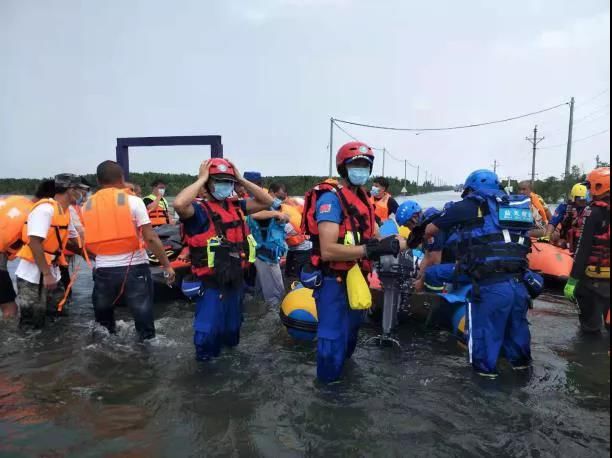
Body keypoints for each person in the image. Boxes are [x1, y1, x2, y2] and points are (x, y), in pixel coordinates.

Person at [302, 142, 405, 383]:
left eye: (365, 165)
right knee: (331, 340)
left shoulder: (365, 200)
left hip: (356, 279)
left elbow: (381, 238)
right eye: (355, 164)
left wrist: (414, 239)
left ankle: (343, 382)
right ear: (343, 168)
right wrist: (369, 250)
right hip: (333, 281)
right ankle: (327, 393)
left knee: (350, 336)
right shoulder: (331, 199)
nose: (361, 170)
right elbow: (327, 250)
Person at [423, 170, 534, 377]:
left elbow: (430, 230)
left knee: (483, 358)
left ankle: (484, 398)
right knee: (520, 354)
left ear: (470, 188)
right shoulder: (514, 207)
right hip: (520, 285)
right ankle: (522, 386)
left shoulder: (467, 205)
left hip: (490, 288)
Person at [174, 158, 272, 361]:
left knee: (232, 331)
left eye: (228, 181)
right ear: (208, 184)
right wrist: (201, 178)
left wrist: (240, 178)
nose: (224, 185)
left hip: (235, 281)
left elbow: (266, 201)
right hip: (211, 284)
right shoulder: (199, 212)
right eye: (218, 181)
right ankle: (205, 372)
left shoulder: (237, 206)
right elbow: (179, 204)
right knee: (207, 335)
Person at [82, 161, 175, 340]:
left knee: (103, 323)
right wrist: (167, 265)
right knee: (143, 316)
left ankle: (103, 355)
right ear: (121, 178)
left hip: (102, 269)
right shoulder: (134, 201)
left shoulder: (86, 205)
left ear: (99, 180)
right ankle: (146, 355)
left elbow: (83, 239)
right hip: (135, 268)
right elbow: (150, 237)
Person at [14, 174, 84, 329]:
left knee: (58, 317)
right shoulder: (45, 210)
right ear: (70, 190)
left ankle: (57, 351)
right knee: (31, 324)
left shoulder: (65, 212)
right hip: (33, 276)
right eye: (80, 190)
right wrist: (46, 274)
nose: (83, 195)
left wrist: (94, 256)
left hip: (54, 273)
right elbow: (34, 242)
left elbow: (73, 242)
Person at [564, 167, 610, 338]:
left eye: (590, 187)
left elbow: (583, 248)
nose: (588, 191)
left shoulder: (593, 212)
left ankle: (587, 361)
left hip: (592, 280)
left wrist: (572, 279)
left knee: (590, 331)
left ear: (600, 186)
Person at [248, 183, 290, 307]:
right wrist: (275, 214)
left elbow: (284, 220)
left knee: (262, 290)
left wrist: (284, 217)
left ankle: (259, 310)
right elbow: (254, 215)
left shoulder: (275, 208)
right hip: (265, 256)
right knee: (277, 292)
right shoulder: (260, 207)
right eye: (278, 196)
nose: (279, 200)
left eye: (282, 198)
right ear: (270, 192)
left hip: (269, 255)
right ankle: (273, 316)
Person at [274, 183, 312, 281]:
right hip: (294, 247)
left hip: (303, 247)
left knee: (297, 277)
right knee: (289, 274)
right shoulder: (290, 206)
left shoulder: (286, 210)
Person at [543, 183, 588, 252]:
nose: (583, 201)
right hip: (567, 239)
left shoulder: (589, 208)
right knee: (560, 243)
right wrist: (546, 237)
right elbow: (553, 222)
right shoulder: (564, 207)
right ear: (574, 197)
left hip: (583, 239)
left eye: (585, 199)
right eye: (580, 199)